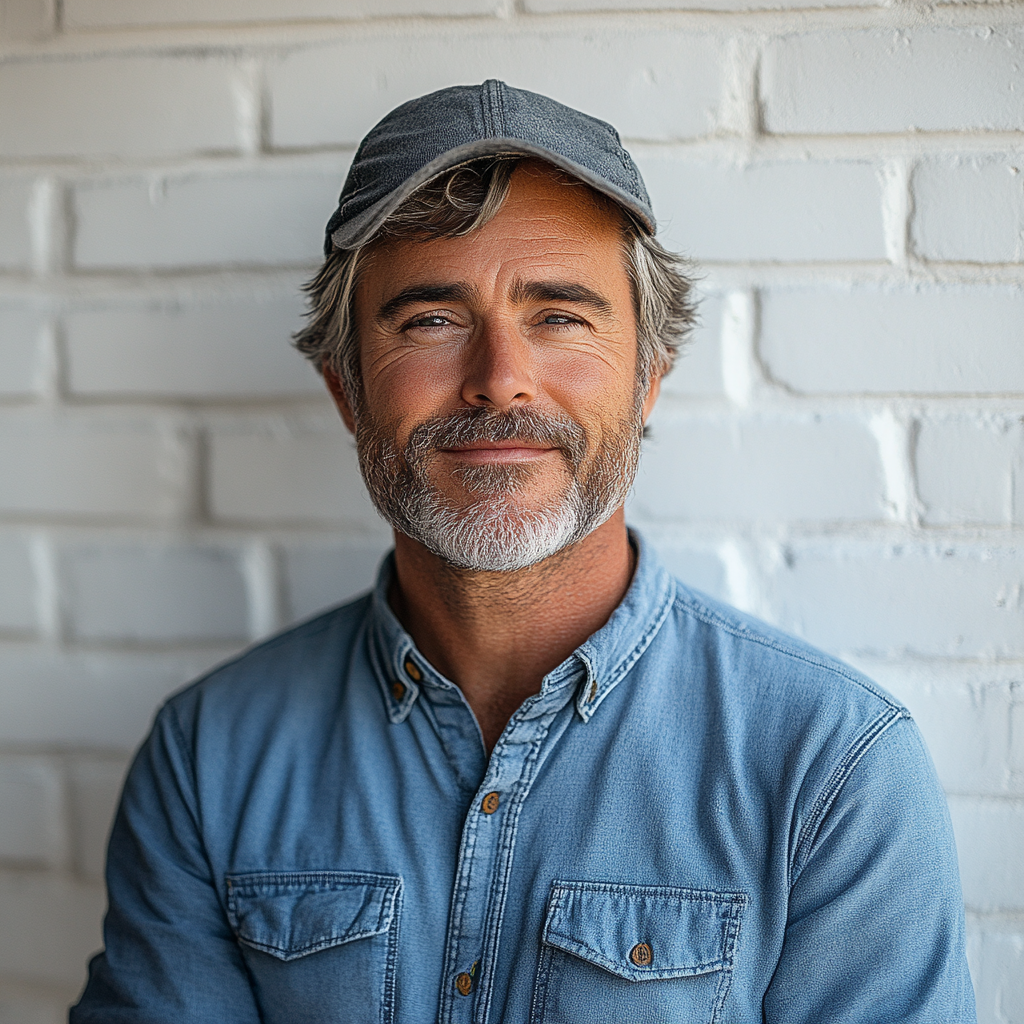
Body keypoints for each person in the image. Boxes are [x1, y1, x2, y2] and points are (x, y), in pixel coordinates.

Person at [72, 81, 975, 1024]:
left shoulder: (831, 769)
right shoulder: (209, 756)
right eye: (432, 320)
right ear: (346, 391)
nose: (499, 380)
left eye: (560, 316)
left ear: (648, 382)